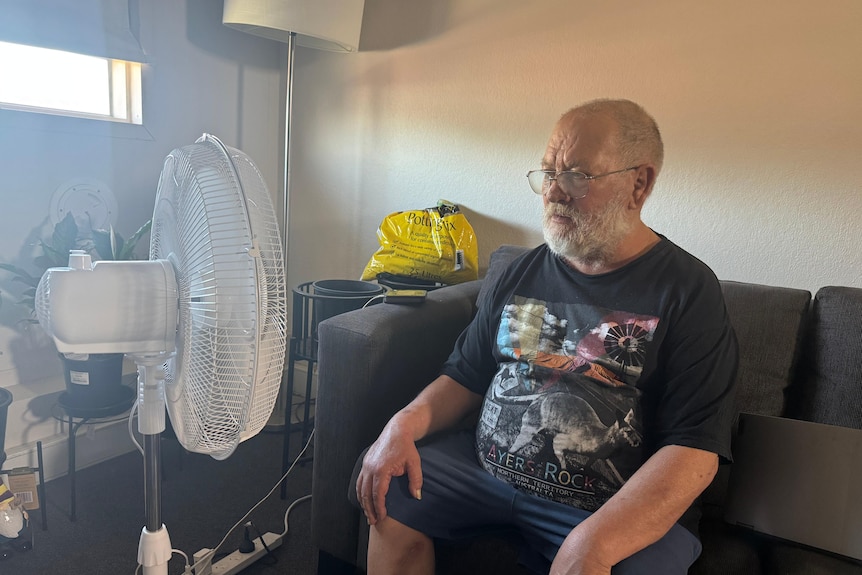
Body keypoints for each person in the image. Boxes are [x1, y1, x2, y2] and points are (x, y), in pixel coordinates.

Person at [354, 99, 738, 575]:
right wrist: (402, 426)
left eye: (577, 176)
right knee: (387, 488)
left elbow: (695, 451)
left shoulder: (687, 290)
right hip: (481, 474)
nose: (554, 192)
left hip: (607, 505)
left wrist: (596, 541)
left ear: (639, 184)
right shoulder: (522, 273)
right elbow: (466, 376)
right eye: (547, 173)